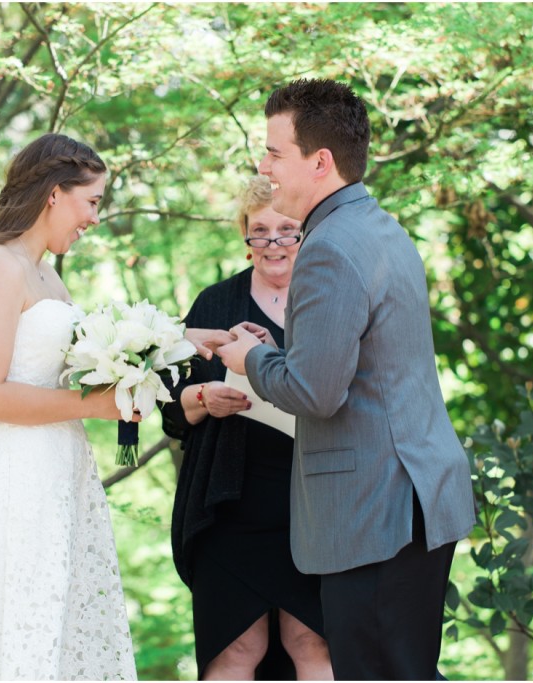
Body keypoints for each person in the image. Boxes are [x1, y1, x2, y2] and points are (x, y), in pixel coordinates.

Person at [216, 79, 477, 680]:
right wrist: (277, 353)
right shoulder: (378, 227)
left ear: (320, 161)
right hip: (412, 496)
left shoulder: (329, 247)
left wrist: (248, 361)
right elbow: (354, 368)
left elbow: (315, 393)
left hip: (373, 511)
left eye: (275, 151)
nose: (264, 165)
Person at [0, 133, 137, 680]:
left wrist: (166, 350)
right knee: (13, 626)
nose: (93, 218)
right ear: (55, 194)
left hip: (57, 471)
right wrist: (93, 405)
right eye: (92, 202)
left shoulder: (50, 277)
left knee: (54, 632)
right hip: (13, 473)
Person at [163, 176, 332, 681]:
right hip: (228, 501)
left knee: (313, 641)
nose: (274, 243)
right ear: (245, 234)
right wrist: (202, 398)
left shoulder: (330, 301)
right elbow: (171, 408)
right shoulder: (214, 303)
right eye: (260, 231)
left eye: (287, 230)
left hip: (314, 503)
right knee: (234, 648)